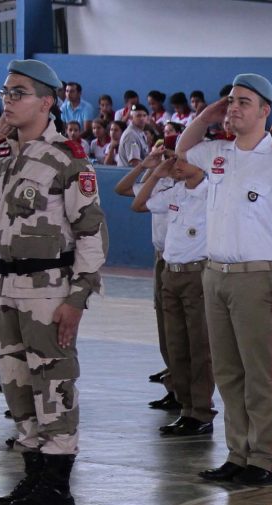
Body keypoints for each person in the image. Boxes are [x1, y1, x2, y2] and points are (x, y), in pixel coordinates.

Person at [0, 59, 108, 505]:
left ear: (47, 102)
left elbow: (92, 232)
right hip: (5, 286)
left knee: (53, 381)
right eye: (5, 92)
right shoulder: (1, 155)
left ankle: (56, 484)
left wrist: (77, 299)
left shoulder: (68, 158)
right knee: (15, 381)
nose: (8, 100)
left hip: (48, 287)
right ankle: (33, 474)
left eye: (19, 93)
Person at [178, 73, 272, 485]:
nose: (235, 107)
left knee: (260, 373)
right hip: (215, 274)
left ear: (265, 112)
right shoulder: (217, 153)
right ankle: (237, 453)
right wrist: (208, 113)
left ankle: (265, 458)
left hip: (256, 276)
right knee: (227, 371)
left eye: (244, 102)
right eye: (231, 101)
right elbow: (181, 149)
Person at [132, 149, 216, 436]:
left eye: (181, 159)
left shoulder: (213, 194)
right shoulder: (176, 192)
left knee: (199, 347)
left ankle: (201, 411)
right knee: (176, 346)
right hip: (171, 273)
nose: (175, 165)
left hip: (197, 274)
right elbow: (138, 204)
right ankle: (186, 408)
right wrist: (157, 173)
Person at [115, 145, 178, 409]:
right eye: (167, 155)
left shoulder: (197, 185)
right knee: (165, 324)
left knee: (181, 329)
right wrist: (145, 166)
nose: (170, 160)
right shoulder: (160, 183)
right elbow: (123, 190)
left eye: (175, 155)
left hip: (182, 260)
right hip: (161, 256)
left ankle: (184, 390)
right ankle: (174, 384)